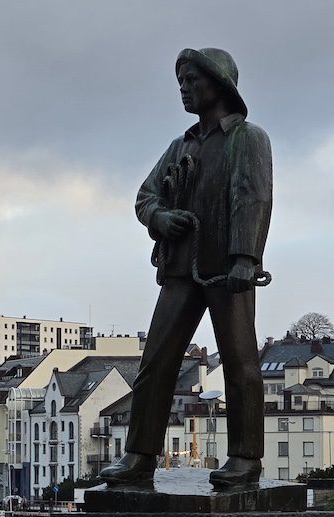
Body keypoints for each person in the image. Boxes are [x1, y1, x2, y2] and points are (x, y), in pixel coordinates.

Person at [99, 48, 272, 488]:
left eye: (191, 80)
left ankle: (246, 458)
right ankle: (140, 455)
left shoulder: (247, 139)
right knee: (156, 361)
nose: (183, 88)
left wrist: (244, 259)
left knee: (240, 362)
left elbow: (253, 199)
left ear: (219, 85)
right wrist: (159, 217)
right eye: (180, 81)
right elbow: (146, 195)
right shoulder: (180, 145)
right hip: (180, 268)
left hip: (227, 269)